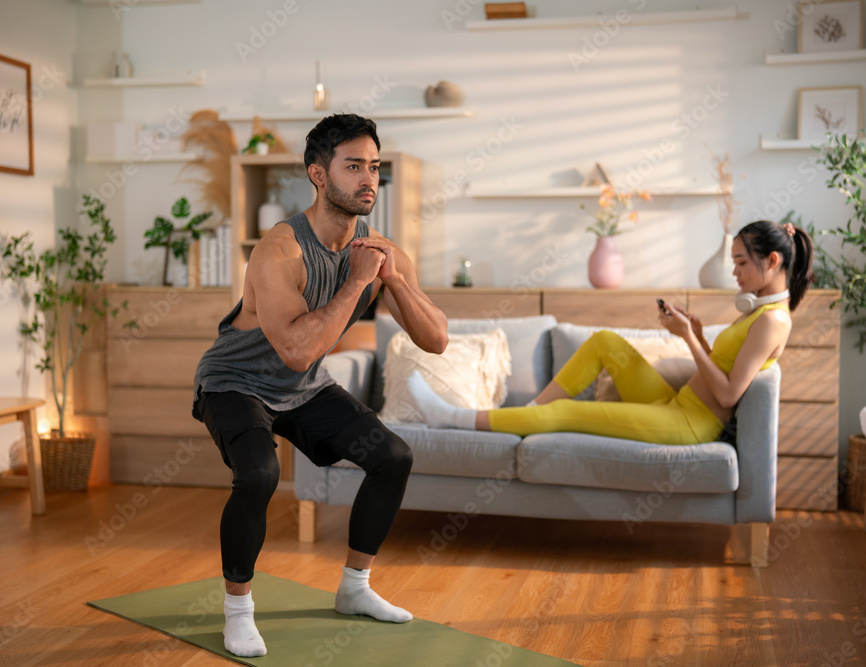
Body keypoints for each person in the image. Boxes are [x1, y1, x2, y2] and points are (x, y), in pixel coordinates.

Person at [191, 113, 448, 658]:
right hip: (235, 382)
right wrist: (357, 281)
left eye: (374, 167)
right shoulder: (279, 249)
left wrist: (393, 277)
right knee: (258, 474)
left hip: (302, 387)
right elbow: (297, 347)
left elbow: (437, 339)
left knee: (393, 457)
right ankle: (238, 612)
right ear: (317, 174)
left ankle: (355, 589)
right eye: (353, 165)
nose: (368, 179)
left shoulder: (383, 251)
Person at [409, 220, 814, 445]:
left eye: (741, 262)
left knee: (566, 412)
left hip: (690, 424)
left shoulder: (772, 320)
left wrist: (689, 340)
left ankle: (451, 418)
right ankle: (525, 415)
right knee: (605, 342)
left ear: (772, 260)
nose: (735, 271)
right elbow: (723, 368)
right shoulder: (759, 311)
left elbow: (727, 394)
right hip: (677, 403)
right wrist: (695, 333)